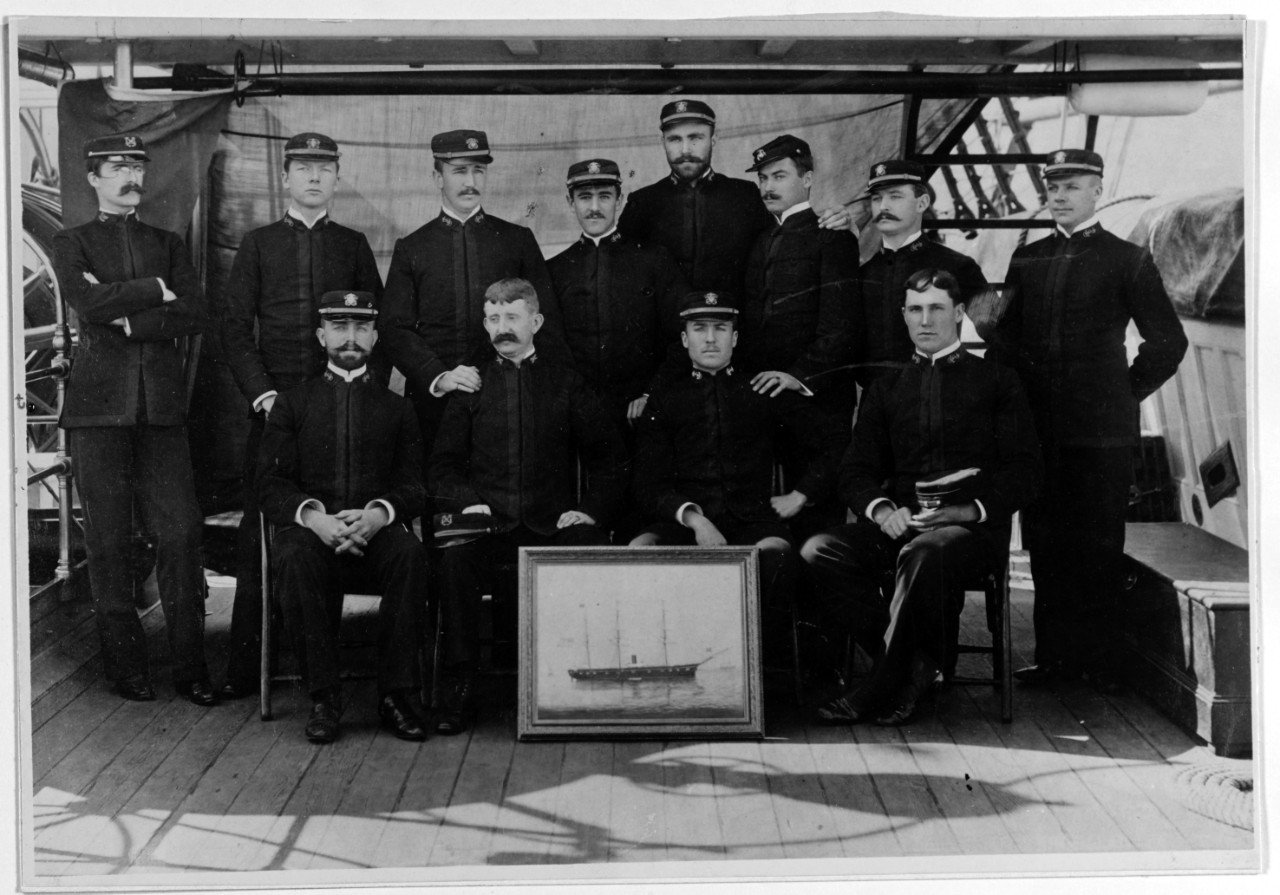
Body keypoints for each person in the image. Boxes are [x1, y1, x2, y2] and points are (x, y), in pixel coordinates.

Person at [986, 149, 1188, 692]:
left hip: (1101, 434)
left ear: (1098, 190)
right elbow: (1002, 336)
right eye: (1053, 187)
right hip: (1040, 433)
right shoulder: (1028, 258)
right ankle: (1054, 660)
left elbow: (1168, 342)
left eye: (1072, 186)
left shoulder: (1128, 259)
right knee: (1046, 546)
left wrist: (1123, 394)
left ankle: (1100, 666)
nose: (1060, 195)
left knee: (1097, 545)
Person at [802, 268, 1041, 725]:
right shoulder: (886, 386)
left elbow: (1026, 471)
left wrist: (966, 510)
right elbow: (855, 470)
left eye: (936, 308)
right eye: (915, 309)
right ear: (904, 316)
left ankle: (878, 686)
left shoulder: (997, 380)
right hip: (902, 524)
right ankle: (915, 667)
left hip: (969, 534)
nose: (925, 319)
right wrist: (883, 511)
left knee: (925, 554)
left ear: (959, 313)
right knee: (820, 550)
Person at [218, 131, 385, 699]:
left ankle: (327, 662)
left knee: (341, 519)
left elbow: (378, 329)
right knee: (260, 533)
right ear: (285, 177)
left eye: (324, 168)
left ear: (337, 177)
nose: (314, 177)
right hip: (276, 412)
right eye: (304, 168)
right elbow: (235, 329)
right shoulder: (258, 244)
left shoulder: (353, 245)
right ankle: (247, 670)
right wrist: (264, 395)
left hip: (342, 407)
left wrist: (365, 398)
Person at [52, 133, 214, 705]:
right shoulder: (71, 242)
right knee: (109, 542)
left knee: (181, 534)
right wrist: (154, 290)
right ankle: (127, 668)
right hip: (97, 414)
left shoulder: (168, 243)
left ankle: (190, 667)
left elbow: (194, 312)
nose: (131, 176)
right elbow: (86, 302)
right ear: (93, 177)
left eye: (137, 166)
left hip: (161, 413)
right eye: (117, 166)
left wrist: (128, 317)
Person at [428, 277, 625, 735]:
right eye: (493, 318)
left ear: (535, 322)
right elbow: (442, 467)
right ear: (484, 324)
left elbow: (610, 459)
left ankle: (578, 686)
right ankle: (459, 687)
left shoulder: (565, 382)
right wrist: (470, 503)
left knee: (590, 546)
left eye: (512, 317)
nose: (503, 327)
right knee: (454, 561)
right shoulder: (470, 387)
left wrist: (590, 510)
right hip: (488, 525)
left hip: (550, 525)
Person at [258, 291, 430, 744]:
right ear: (321, 336)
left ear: (374, 337)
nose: (350, 337)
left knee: (410, 556)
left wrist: (378, 514)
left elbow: (415, 487)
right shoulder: (292, 404)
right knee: (293, 556)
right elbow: (270, 485)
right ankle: (324, 697)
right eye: (339, 327)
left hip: (376, 534)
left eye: (360, 328)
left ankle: (396, 696)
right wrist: (316, 519)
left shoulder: (398, 408)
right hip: (314, 535)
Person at [631, 290, 846, 634]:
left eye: (720, 328)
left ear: (734, 338)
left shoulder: (762, 391)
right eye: (700, 329)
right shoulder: (664, 400)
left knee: (776, 554)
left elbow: (834, 442)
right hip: (683, 527)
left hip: (753, 524)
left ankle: (762, 662)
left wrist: (802, 494)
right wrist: (696, 521)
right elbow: (648, 483)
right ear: (685, 339)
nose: (710, 338)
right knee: (640, 551)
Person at [380, 129, 565, 463]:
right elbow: (394, 328)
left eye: (478, 170)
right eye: (459, 171)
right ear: (437, 177)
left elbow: (546, 321)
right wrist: (439, 376)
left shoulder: (517, 240)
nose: (470, 182)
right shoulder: (412, 248)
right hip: (435, 401)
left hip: (508, 399)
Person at [617, 100, 852, 297]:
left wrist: (839, 223)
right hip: (665, 336)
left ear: (713, 140)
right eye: (675, 139)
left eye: (696, 138)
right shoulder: (642, 202)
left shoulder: (746, 195)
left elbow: (786, 246)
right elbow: (620, 271)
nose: (686, 149)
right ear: (663, 142)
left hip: (736, 332)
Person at [547, 157, 688, 429]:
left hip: (640, 414)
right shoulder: (555, 270)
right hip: (577, 417)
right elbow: (550, 349)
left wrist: (652, 394)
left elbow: (682, 335)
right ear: (570, 203)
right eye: (584, 197)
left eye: (604, 197)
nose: (595, 208)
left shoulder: (653, 261)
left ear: (620, 200)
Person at [853, 159, 987, 385]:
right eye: (876, 198)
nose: (883, 206)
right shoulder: (863, 274)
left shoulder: (957, 266)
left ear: (922, 203)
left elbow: (1002, 329)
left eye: (895, 196)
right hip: (874, 400)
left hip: (939, 395)